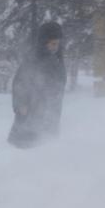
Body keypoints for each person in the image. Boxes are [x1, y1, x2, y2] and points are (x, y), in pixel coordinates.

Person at [8, 21, 67, 149]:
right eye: (53, 43)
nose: (56, 47)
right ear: (44, 42)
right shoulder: (33, 59)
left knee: (46, 148)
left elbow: (59, 85)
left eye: (58, 43)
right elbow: (19, 82)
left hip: (51, 114)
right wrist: (21, 104)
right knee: (24, 149)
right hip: (30, 112)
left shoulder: (57, 60)